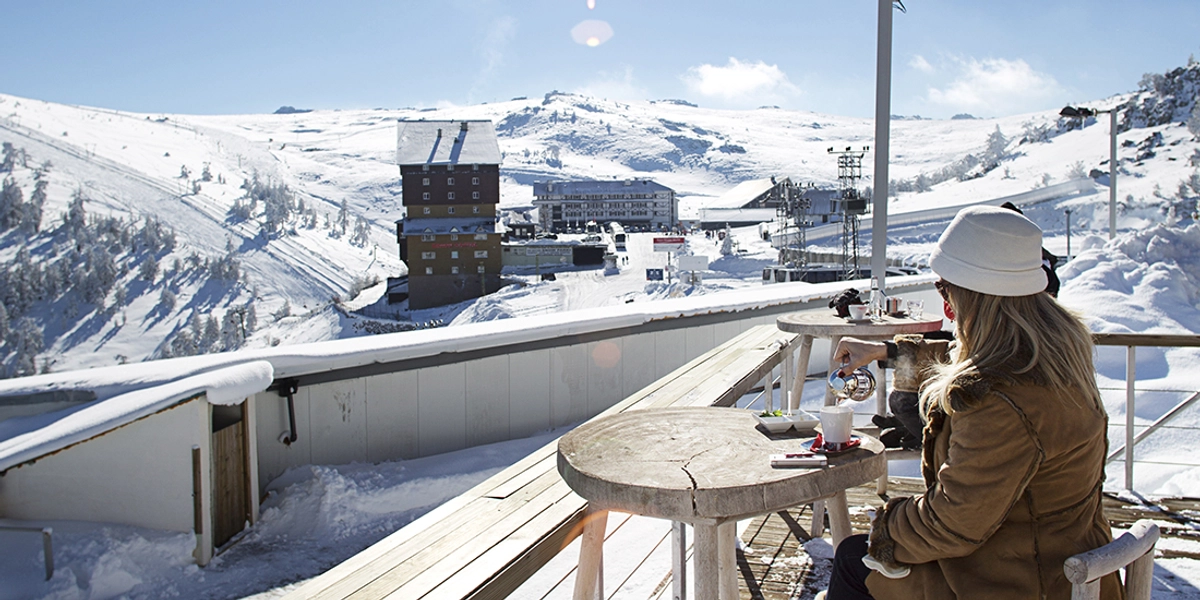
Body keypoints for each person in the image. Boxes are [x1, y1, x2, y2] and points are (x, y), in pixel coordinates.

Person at [824, 205, 1119, 600]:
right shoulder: (1054, 357)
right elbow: (962, 361)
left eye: (944, 288)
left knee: (850, 559)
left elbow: (952, 524)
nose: (944, 302)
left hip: (1013, 580)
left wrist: (887, 527)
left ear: (969, 295)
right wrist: (883, 352)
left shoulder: (999, 403)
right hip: (1058, 558)